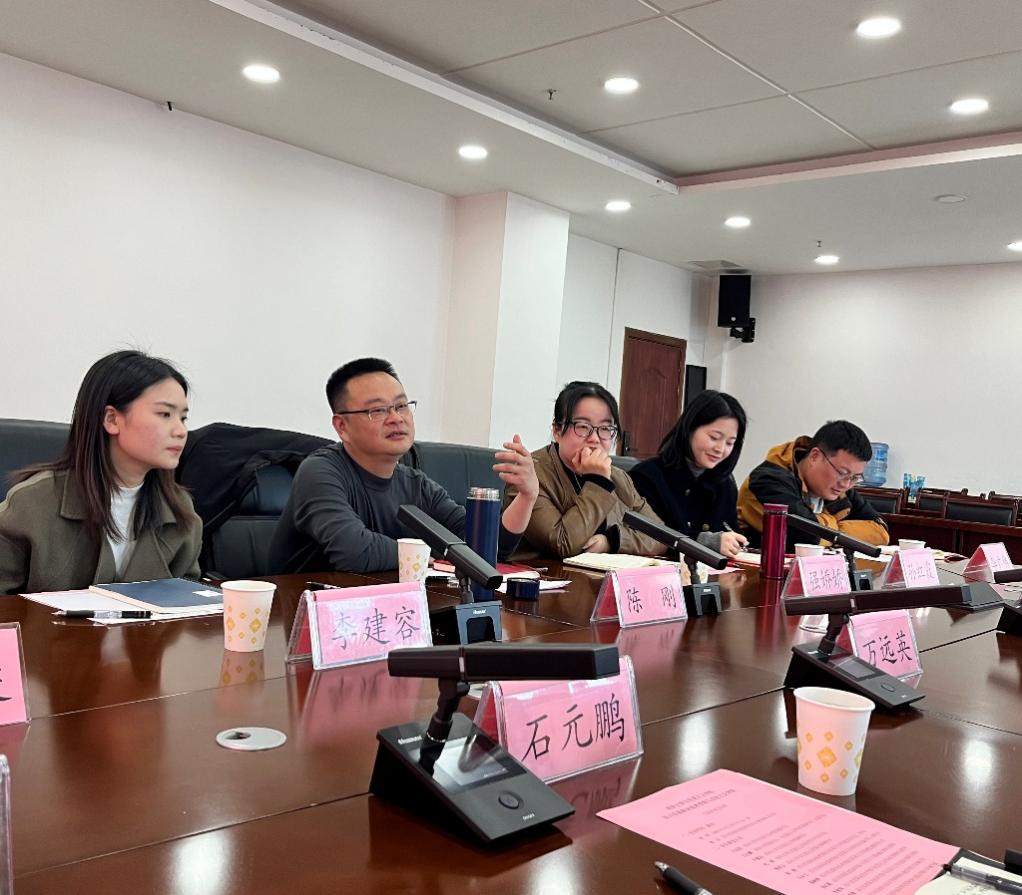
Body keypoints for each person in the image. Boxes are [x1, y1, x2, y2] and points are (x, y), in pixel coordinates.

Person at [269, 358, 539, 574]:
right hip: (299, 614)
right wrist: (438, 556)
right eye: (377, 410)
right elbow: (354, 552)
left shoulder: (416, 484)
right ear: (342, 426)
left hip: (383, 611)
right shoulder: (320, 472)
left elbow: (482, 549)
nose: (396, 418)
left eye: (401, 406)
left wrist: (526, 497)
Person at [0, 350, 201, 594]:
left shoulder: (180, 510)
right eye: (165, 414)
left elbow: (187, 604)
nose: (180, 431)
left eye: (183, 418)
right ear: (112, 419)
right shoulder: (32, 504)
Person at [504, 381, 666, 561]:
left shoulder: (618, 477)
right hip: (542, 576)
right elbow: (562, 544)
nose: (595, 438)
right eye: (582, 426)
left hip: (601, 577)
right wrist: (598, 483)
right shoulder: (531, 474)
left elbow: (661, 536)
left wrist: (612, 541)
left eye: (605, 429)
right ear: (557, 431)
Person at [630, 390, 749, 559]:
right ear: (690, 428)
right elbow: (646, 539)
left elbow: (729, 532)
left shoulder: (724, 483)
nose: (720, 449)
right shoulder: (647, 478)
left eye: (730, 443)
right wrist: (705, 542)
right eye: (714, 437)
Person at [737, 420, 889, 550]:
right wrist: (839, 533)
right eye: (842, 472)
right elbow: (807, 536)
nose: (846, 484)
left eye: (855, 477)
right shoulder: (768, 480)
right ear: (815, 456)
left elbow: (881, 532)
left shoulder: (839, 487)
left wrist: (832, 532)